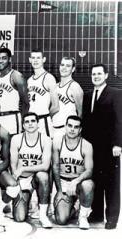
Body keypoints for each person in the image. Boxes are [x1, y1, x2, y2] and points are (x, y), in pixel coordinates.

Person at [82, 64, 122, 229]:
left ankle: (112, 218)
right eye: (93, 74)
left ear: (106, 75)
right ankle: (96, 213)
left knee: (111, 183)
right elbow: (86, 122)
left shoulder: (116, 94)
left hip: (109, 147)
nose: (96, 76)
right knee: (95, 180)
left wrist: (118, 143)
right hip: (92, 147)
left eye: (99, 74)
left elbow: (120, 121)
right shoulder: (88, 95)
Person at [10, 112, 52, 228]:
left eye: (33, 121)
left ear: (38, 124)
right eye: (27, 122)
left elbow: (45, 166)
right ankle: (26, 201)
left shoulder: (46, 140)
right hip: (23, 180)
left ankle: (43, 215)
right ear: (23, 125)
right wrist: (16, 183)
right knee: (19, 217)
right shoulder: (16, 139)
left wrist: (23, 168)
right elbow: (13, 166)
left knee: (43, 176)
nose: (30, 124)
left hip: (36, 178)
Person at [52, 116, 94, 229]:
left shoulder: (86, 145)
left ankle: (83, 216)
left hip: (78, 184)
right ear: (65, 126)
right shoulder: (57, 142)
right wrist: (59, 191)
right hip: (63, 182)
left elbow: (89, 170)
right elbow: (55, 167)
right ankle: (76, 207)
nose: (72, 129)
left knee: (88, 184)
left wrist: (76, 181)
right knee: (61, 220)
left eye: (76, 127)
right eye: (70, 126)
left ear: (80, 129)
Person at [0, 48, 29, 135]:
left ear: (9, 59)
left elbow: (25, 102)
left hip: (12, 119)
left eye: (4, 58)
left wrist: (23, 122)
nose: (0, 61)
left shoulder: (16, 76)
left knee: (12, 147)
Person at [27, 49, 59, 137]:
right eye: (33, 58)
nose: (35, 60)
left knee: (46, 149)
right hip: (31, 122)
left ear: (43, 59)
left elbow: (56, 106)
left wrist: (46, 116)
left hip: (43, 121)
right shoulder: (29, 80)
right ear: (30, 60)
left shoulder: (49, 78)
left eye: (38, 58)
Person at [53, 57, 83, 137]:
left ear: (73, 69)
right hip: (52, 128)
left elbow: (80, 113)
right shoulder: (55, 86)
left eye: (68, 66)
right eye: (62, 65)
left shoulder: (75, 86)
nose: (64, 68)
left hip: (66, 130)